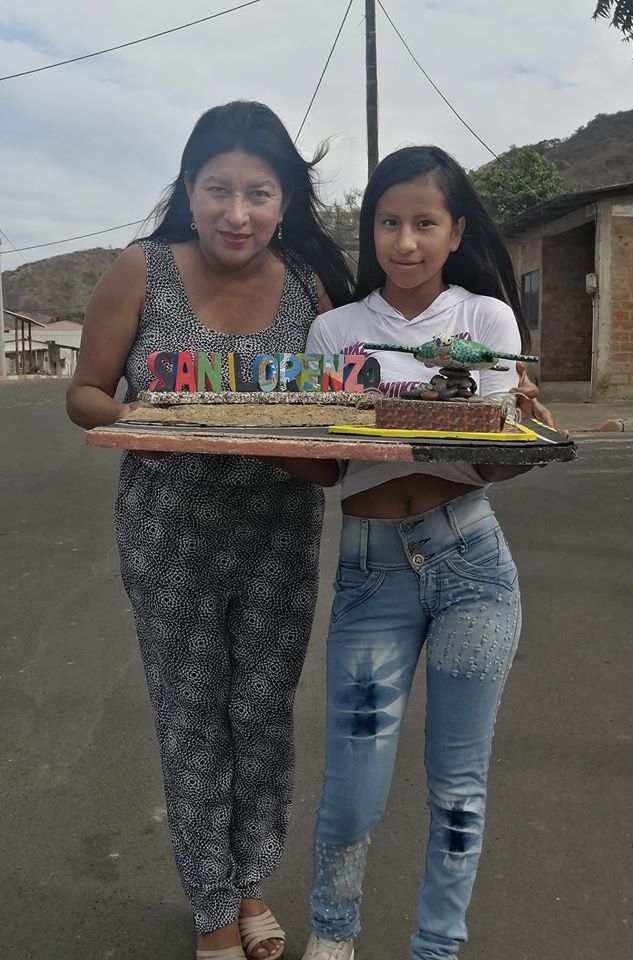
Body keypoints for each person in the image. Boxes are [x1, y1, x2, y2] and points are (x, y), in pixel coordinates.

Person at [66, 100, 355, 960]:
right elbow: (84, 393)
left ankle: (251, 880)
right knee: (192, 722)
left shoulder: (309, 288)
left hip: (278, 537)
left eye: (259, 193)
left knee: (263, 718)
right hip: (170, 540)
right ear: (189, 189)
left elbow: (337, 414)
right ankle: (212, 911)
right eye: (219, 189)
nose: (238, 212)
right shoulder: (142, 270)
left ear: (285, 200)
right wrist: (140, 419)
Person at [272, 145, 539, 960]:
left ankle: (437, 948)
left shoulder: (484, 321)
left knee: (458, 788)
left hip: (472, 567)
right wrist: (273, 431)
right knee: (353, 790)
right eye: (388, 222)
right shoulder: (335, 331)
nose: (406, 241)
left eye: (425, 222)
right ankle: (333, 935)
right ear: (371, 231)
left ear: (456, 231)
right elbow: (328, 470)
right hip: (370, 571)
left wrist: (522, 436)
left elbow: (489, 463)